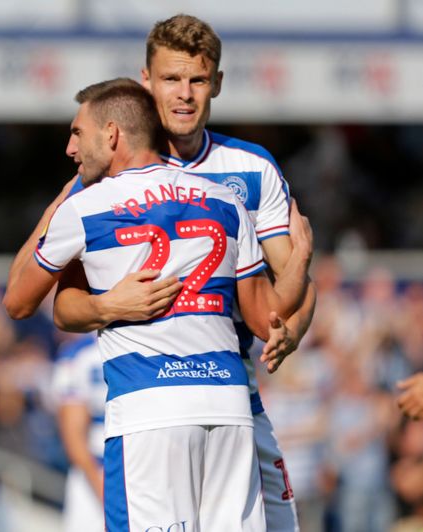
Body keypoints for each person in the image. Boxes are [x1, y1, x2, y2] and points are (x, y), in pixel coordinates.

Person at [51, 15, 316, 531]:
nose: (185, 94)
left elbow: (293, 283)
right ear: (145, 81)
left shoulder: (251, 168)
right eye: (171, 79)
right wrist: (106, 306)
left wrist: (294, 330)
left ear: (217, 83)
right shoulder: (110, 164)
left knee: (283, 523)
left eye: (197, 80)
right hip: (150, 397)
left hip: (232, 392)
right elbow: (39, 293)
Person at [50, 334, 105, 532]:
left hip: (148, 465)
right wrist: (101, 488)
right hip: (96, 471)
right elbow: (73, 434)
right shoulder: (79, 354)